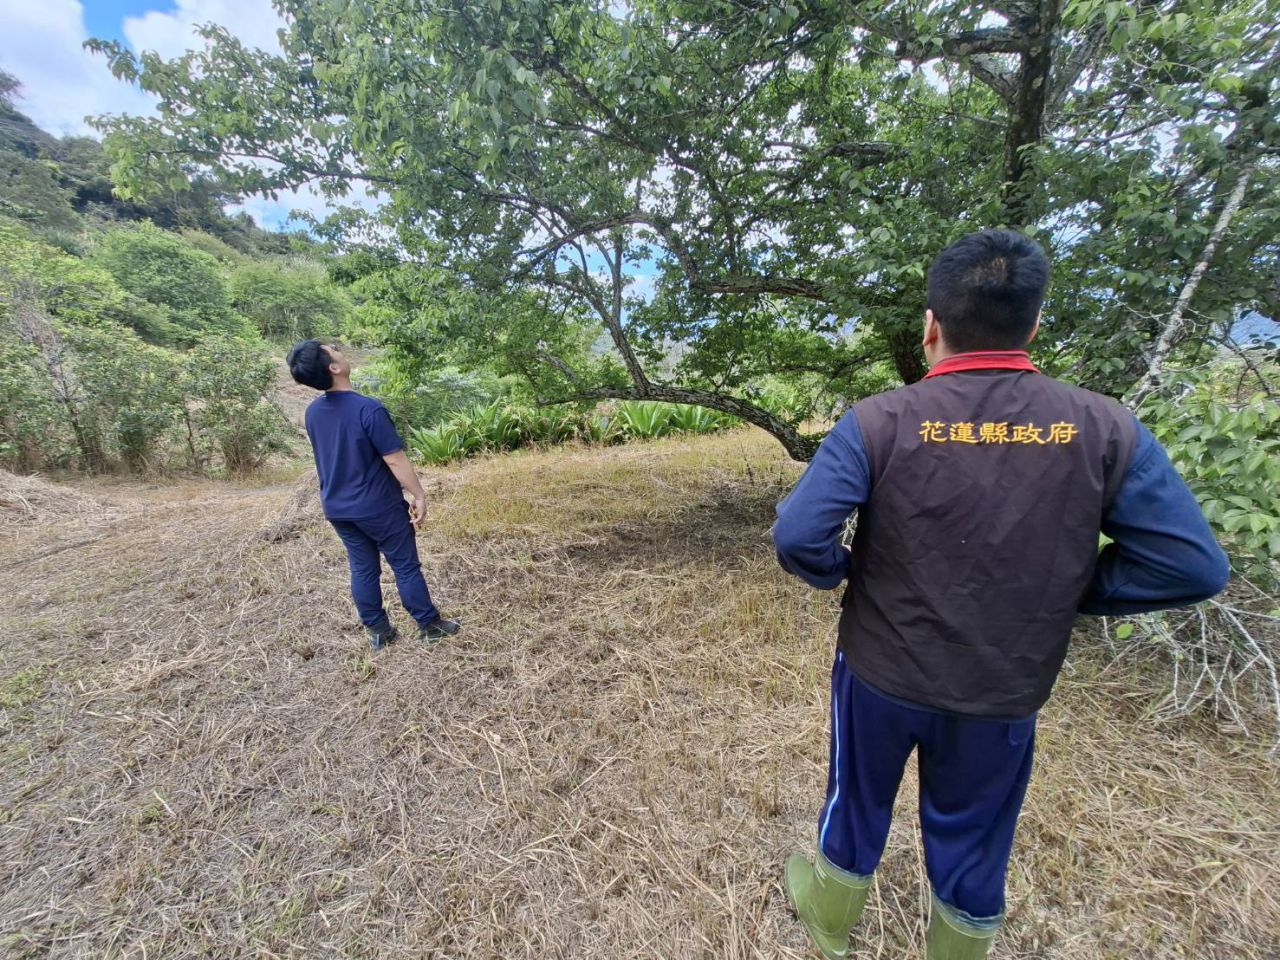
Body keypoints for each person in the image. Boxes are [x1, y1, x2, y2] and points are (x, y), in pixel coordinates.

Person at [772, 229, 1229, 960]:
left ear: (932, 325)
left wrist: (841, 571)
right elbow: (1195, 566)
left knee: (855, 797)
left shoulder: (878, 422)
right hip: (1005, 686)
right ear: (1034, 324)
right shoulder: (1106, 426)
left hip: (881, 672)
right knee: (978, 830)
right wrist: (1076, 591)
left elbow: (798, 535)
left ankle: (830, 918)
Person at [287, 339, 461, 649]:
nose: (338, 349)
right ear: (335, 367)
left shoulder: (313, 413)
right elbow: (394, 459)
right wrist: (418, 494)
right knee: (405, 565)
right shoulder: (368, 409)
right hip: (378, 506)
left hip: (337, 507)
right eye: (332, 350)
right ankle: (429, 624)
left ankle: (379, 631)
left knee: (362, 566)